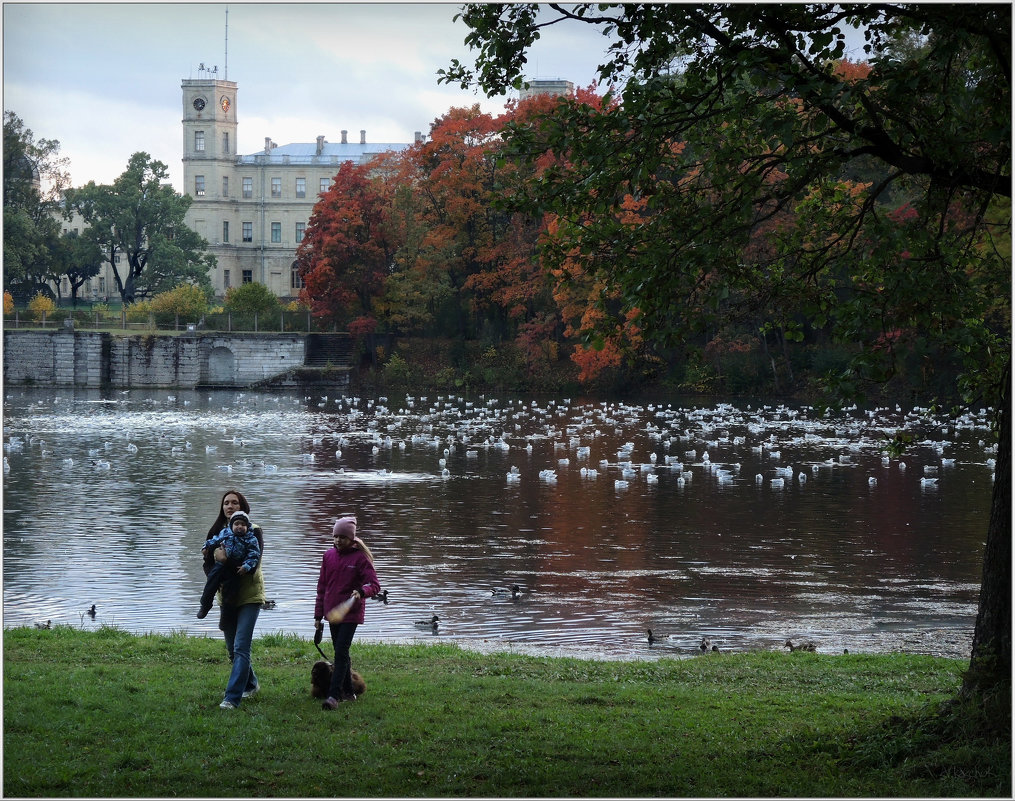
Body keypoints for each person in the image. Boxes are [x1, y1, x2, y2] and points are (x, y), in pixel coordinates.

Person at [203, 489, 266, 710]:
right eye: (226, 503)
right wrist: (215, 575)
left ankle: (231, 698)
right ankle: (251, 683)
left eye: (235, 503)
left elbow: (251, 566)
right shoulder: (217, 533)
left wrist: (225, 561)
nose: (230, 506)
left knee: (241, 647)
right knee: (232, 649)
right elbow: (208, 563)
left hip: (249, 596)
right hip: (226, 597)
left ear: (243, 507)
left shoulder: (254, 532)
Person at [314, 516, 381, 709]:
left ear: (351, 538)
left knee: (341, 651)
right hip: (332, 612)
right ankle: (349, 690)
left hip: (350, 613)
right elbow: (322, 587)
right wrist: (318, 615)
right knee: (340, 652)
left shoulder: (360, 558)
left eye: (342, 537)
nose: (337, 541)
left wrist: (362, 592)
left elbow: (374, 585)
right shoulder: (328, 556)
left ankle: (334, 696)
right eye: (335, 536)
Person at [198, 510, 261, 619]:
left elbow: (254, 554)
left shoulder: (251, 539)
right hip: (220, 566)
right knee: (211, 582)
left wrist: (246, 566)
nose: (239, 527)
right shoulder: (225, 533)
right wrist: (205, 547)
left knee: (230, 592)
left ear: (247, 526)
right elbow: (214, 540)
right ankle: (205, 604)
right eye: (236, 524)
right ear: (231, 526)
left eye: (243, 524)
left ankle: (225, 618)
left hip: (235, 569)